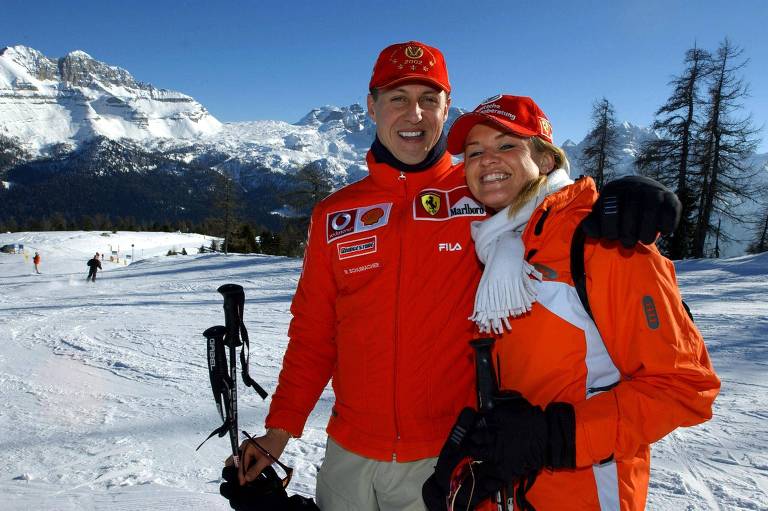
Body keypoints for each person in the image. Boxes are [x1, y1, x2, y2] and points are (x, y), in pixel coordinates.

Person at [229, 42, 683, 511]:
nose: (415, 113)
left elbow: (546, 202)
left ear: (448, 107)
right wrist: (278, 432)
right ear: (372, 105)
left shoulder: (480, 195)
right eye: (398, 98)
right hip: (349, 452)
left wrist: (624, 196)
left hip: (447, 455)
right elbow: (314, 333)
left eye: (430, 98)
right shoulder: (335, 213)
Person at [422, 95, 720, 510]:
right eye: (475, 152)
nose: (487, 160)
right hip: (511, 490)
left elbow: (685, 388)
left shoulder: (605, 245)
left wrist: (553, 437)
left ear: (545, 161)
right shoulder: (496, 251)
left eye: (507, 145)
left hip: (585, 494)